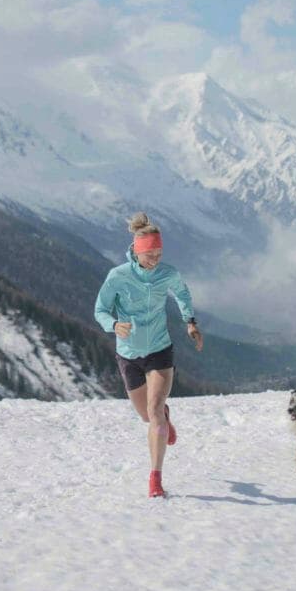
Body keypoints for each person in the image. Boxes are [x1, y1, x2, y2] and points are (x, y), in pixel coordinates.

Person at [94, 212, 204, 498]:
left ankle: (155, 478)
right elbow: (100, 309)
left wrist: (190, 321)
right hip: (128, 353)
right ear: (137, 252)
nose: (156, 259)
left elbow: (182, 294)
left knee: (153, 412)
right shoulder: (117, 276)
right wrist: (113, 325)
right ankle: (164, 417)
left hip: (159, 349)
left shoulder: (168, 273)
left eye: (159, 253)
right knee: (147, 416)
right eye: (150, 254)